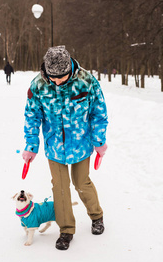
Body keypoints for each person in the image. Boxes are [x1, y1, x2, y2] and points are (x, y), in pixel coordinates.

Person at [22, 46, 108, 251]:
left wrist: (99, 140)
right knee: (59, 188)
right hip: (55, 147)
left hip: (81, 144)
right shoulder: (38, 85)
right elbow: (32, 117)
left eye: (61, 77)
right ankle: (66, 230)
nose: (57, 81)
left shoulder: (87, 81)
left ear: (69, 68)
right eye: (53, 78)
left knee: (81, 183)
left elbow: (99, 111)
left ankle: (96, 216)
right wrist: (31, 145)